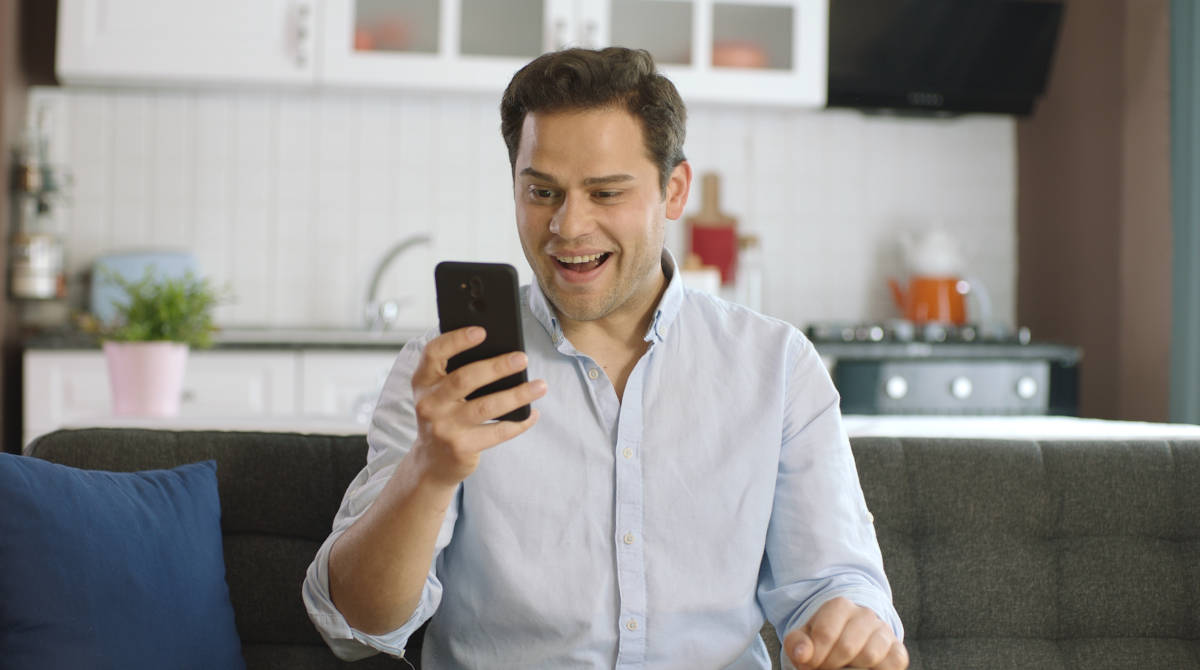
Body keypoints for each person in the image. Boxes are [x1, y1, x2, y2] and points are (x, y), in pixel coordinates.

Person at [303, 47, 907, 670]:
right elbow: (357, 624)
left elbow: (837, 584)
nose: (568, 226)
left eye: (605, 192)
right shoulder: (444, 374)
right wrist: (427, 471)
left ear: (673, 191)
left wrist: (850, 624)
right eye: (543, 192)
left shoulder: (776, 367)